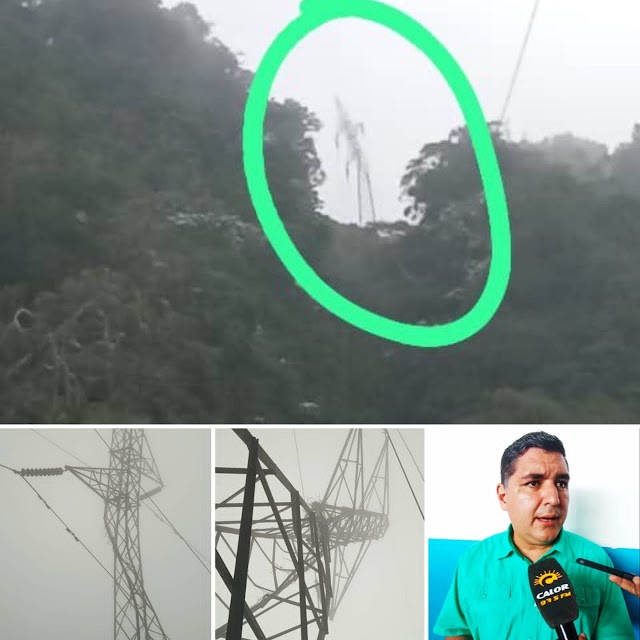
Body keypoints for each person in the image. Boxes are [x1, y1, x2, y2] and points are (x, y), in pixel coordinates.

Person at [433, 431, 635, 640]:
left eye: (561, 483)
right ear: (503, 497)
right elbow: (458, 632)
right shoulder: (473, 559)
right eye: (534, 483)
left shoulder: (595, 559)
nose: (554, 499)